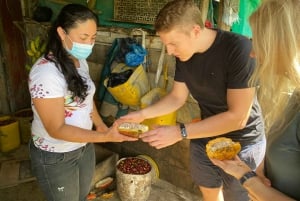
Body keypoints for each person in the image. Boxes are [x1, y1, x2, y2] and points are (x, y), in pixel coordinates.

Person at [119, 0, 266, 200]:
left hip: (243, 141)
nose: (169, 51)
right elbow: (177, 97)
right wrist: (141, 114)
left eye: (173, 43)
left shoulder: (238, 48)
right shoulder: (183, 54)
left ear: (196, 30)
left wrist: (180, 132)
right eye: (165, 44)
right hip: (203, 135)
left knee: (238, 197)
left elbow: (238, 117)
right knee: (209, 193)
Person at [28, 4, 137, 201]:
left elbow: (86, 100)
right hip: (56, 155)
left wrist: (102, 126)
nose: (89, 44)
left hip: (84, 147)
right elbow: (56, 129)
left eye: (93, 38)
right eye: (83, 38)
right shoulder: (45, 73)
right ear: (62, 33)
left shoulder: (79, 61)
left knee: (83, 196)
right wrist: (105, 137)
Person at [211, 0, 300, 200]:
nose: (252, 53)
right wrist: (251, 170)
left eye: (258, 40)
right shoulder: (295, 97)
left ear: (285, 43)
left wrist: (248, 180)